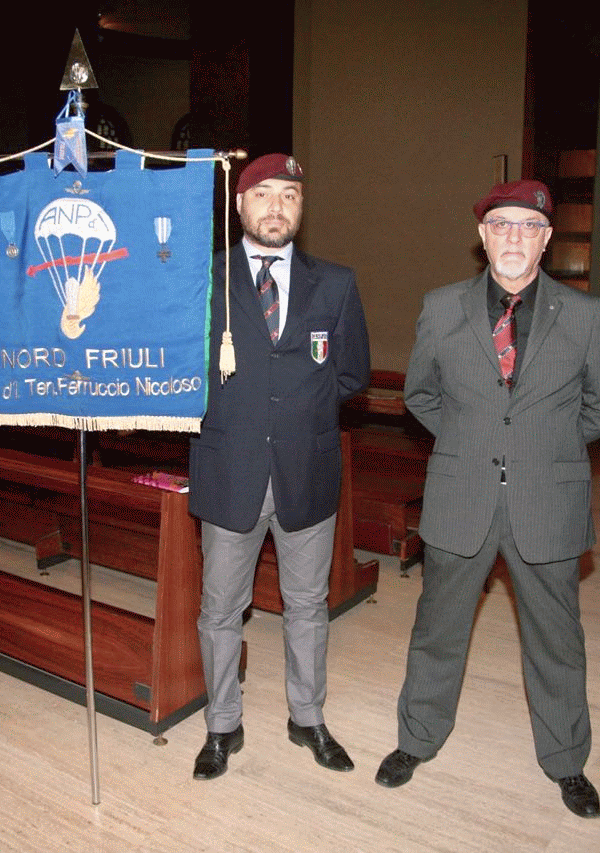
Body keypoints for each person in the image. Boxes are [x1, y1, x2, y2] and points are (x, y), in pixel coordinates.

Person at [375, 180, 600, 818]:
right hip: (462, 495)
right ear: (482, 236)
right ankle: (418, 738)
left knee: (556, 638)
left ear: (545, 240)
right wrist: (471, 440)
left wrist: (543, 446)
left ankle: (567, 761)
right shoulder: (442, 307)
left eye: (528, 226)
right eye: (502, 225)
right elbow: (421, 397)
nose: (514, 236)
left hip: (548, 500)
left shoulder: (585, 314)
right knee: (438, 628)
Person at [188, 153, 370, 780]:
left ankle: (308, 717)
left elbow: (351, 374)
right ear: (239, 204)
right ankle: (221, 725)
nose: (275, 206)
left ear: (302, 207)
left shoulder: (337, 284)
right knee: (219, 609)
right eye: (262, 193)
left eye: (289, 195)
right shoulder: (205, 279)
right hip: (231, 469)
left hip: (306, 470)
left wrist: (298, 417)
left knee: (308, 606)